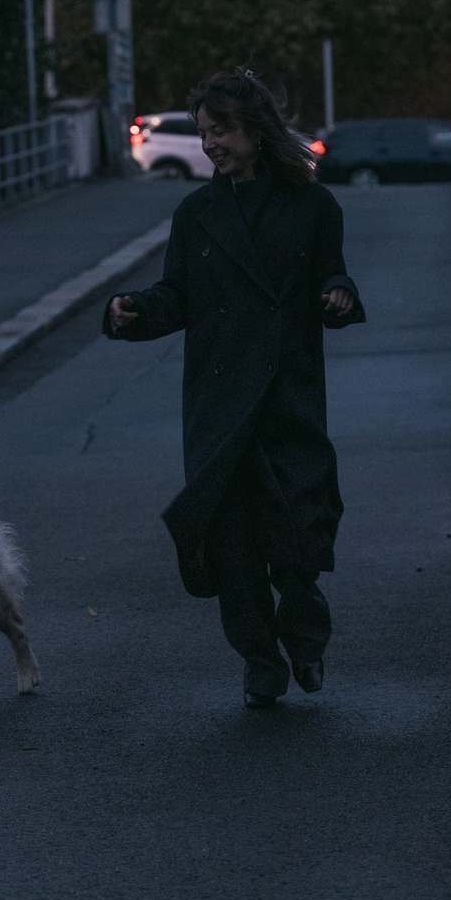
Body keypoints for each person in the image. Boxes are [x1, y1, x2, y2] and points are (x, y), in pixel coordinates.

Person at [103, 69, 365, 708]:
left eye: (220, 131)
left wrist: (337, 296)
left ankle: (305, 634)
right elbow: (178, 296)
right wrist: (132, 309)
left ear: (255, 130)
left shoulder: (313, 206)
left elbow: (334, 275)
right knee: (233, 544)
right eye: (204, 133)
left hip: (287, 396)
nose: (211, 144)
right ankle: (260, 661)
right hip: (219, 404)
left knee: (300, 529)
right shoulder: (197, 212)